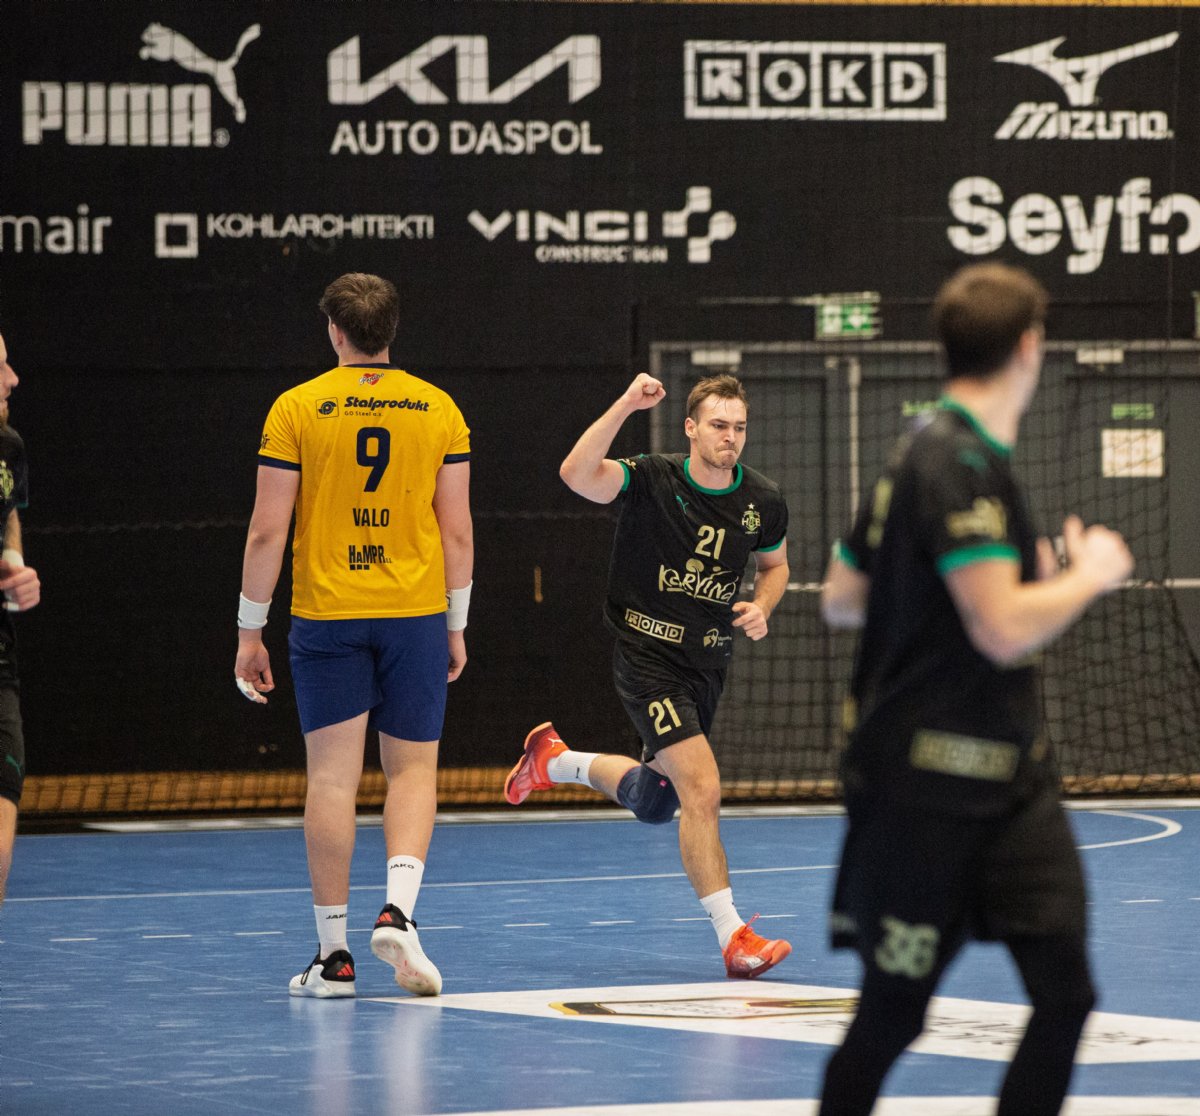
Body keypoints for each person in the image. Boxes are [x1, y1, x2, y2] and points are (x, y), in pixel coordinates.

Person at [817, 263, 1134, 1115]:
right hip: (927, 794)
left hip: (1011, 788)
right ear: (1029, 347)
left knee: (1066, 995)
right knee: (892, 1014)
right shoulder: (952, 461)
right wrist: (1090, 574)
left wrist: (974, 587)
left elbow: (843, 596)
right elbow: (1000, 627)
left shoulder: (920, 454)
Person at [505, 372, 793, 979]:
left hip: (707, 663)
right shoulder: (652, 478)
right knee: (702, 789)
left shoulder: (763, 500)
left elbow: (776, 566)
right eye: (718, 425)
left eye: (739, 428)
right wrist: (625, 405)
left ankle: (555, 761)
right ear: (691, 428)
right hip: (646, 657)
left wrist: (763, 607)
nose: (730, 437)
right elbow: (576, 474)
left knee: (656, 801)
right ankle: (733, 938)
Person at [235, 273, 473, 998]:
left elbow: (267, 531)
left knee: (333, 779)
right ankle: (398, 911)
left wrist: (250, 631)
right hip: (414, 613)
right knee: (413, 770)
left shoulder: (296, 407)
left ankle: (334, 958)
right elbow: (457, 533)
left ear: (335, 331)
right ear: (390, 330)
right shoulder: (439, 408)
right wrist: (456, 623)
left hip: (328, 614)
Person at [0, 331, 41, 907]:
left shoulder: (8, 445)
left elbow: (8, 513)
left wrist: (11, 559)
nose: (12, 379)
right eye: (2, 367)